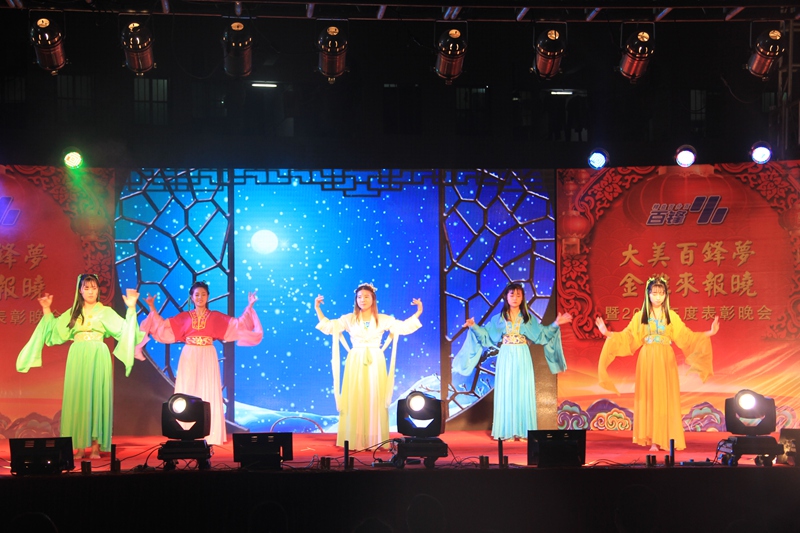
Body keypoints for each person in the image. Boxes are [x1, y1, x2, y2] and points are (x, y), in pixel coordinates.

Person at [16, 273, 143, 460]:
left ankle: (96, 447)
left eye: (94, 288)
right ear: (80, 290)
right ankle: (79, 447)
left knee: (97, 398)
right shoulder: (73, 312)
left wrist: (131, 308)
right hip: (77, 356)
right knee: (78, 399)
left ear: (98, 291)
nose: (90, 291)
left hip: (99, 355)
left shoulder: (105, 312)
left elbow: (126, 331)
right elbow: (53, 331)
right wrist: (46, 309)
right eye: (87, 288)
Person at [595, 275, 719, 451]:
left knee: (665, 397)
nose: (658, 297)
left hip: (666, 359)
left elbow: (688, 337)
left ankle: (667, 438)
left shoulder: (671, 316)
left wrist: (709, 333)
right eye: (654, 293)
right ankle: (653, 440)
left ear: (666, 295)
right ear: (648, 294)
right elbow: (626, 337)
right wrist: (607, 333)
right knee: (650, 397)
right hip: (647, 359)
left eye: (661, 293)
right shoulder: (641, 317)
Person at [139, 282, 262, 446]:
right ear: (192, 297)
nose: (200, 298)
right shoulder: (184, 317)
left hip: (208, 353)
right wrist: (152, 307)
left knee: (208, 388)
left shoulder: (215, 317)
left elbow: (237, 324)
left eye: (203, 294)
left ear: (208, 297)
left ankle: (211, 433)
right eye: (197, 295)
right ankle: (185, 431)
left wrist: (250, 306)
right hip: (189, 354)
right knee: (187, 389)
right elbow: (162, 326)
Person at [453, 281, 572, 441]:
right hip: (506, 355)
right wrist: (474, 326)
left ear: (522, 298)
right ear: (506, 297)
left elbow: (542, 334)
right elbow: (486, 336)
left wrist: (556, 323)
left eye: (518, 295)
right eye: (512, 295)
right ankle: (506, 432)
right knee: (506, 392)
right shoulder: (499, 319)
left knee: (523, 391)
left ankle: (524, 432)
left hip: (522, 355)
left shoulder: (528, 319)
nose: (515, 298)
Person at [315, 283, 422, 450]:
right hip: (355, 359)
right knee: (355, 396)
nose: (362, 300)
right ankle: (354, 438)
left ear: (373, 299)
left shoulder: (383, 319)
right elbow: (330, 327)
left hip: (375, 360)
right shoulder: (349, 319)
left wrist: (419, 311)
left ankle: (374, 439)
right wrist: (318, 309)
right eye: (359, 297)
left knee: (374, 396)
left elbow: (402, 327)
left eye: (366, 296)